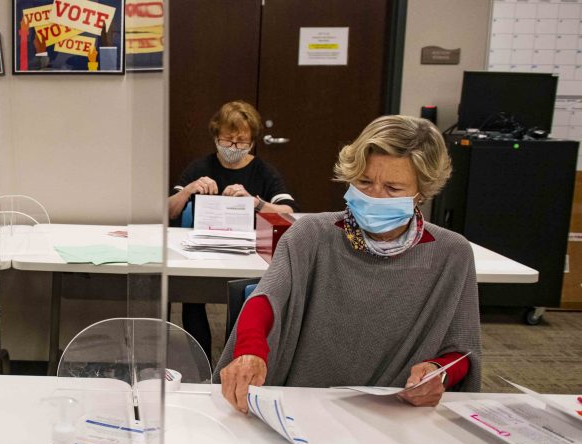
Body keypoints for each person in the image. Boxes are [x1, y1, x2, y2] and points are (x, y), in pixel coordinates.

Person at [216, 115, 481, 412]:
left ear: (422, 191)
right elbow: (266, 299)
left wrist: (438, 373)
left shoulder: (451, 254)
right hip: (303, 406)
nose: (375, 196)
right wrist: (249, 351)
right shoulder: (311, 235)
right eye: (364, 182)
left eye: (393, 188)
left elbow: (460, 350)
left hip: (394, 413)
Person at [169, 100, 297, 361]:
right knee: (192, 298)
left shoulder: (263, 171)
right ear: (216, 137)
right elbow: (169, 210)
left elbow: (288, 213)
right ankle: (202, 362)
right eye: (228, 141)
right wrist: (189, 188)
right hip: (201, 252)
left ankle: (230, 358)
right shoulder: (200, 167)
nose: (234, 148)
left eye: (242, 142)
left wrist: (256, 202)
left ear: (252, 142)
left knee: (242, 300)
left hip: (245, 254)